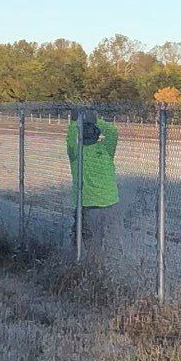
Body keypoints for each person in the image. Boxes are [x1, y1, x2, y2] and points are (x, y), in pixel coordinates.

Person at [66, 109, 119, 255]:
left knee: (82, 237)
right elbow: (113, 132)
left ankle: (85, 264)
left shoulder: (76, 153)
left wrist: (73, 122)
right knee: (101, 239)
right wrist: (96, 120)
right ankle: (95, 265)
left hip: (88, 204)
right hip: (108, 202)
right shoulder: (106, 149)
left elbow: (70, 139)